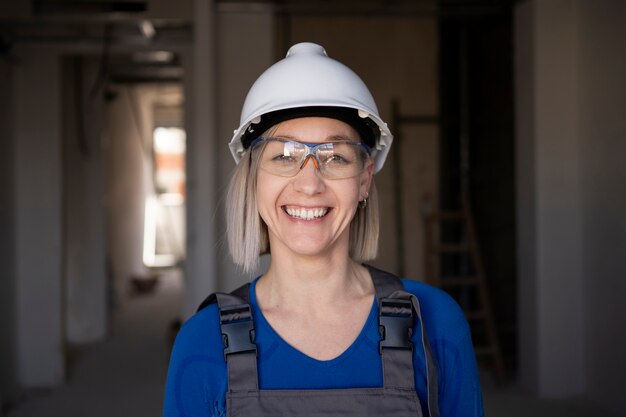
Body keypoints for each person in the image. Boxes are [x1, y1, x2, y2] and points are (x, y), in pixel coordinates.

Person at [163, 42, 484, 417]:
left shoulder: (435, 321)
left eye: (336, 157)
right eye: (284, 156)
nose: (310, 184)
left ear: (364, 180)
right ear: (253, 179)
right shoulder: (202, 341)